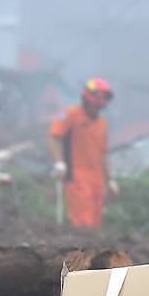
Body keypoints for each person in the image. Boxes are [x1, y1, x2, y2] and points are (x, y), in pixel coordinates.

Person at [48, 78, 119, 229]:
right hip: (77, 178)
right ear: (86, 100)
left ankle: (93, 252)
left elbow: (104, 153)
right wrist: (59, 162)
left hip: (98, 180)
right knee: (83, 226)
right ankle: (82, 252)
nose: (97, 109)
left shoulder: (102, 123)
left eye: (100, 106)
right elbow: (54, 137)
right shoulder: (70, 114)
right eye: (95, 105)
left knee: (95, 225)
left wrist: (111, 180)